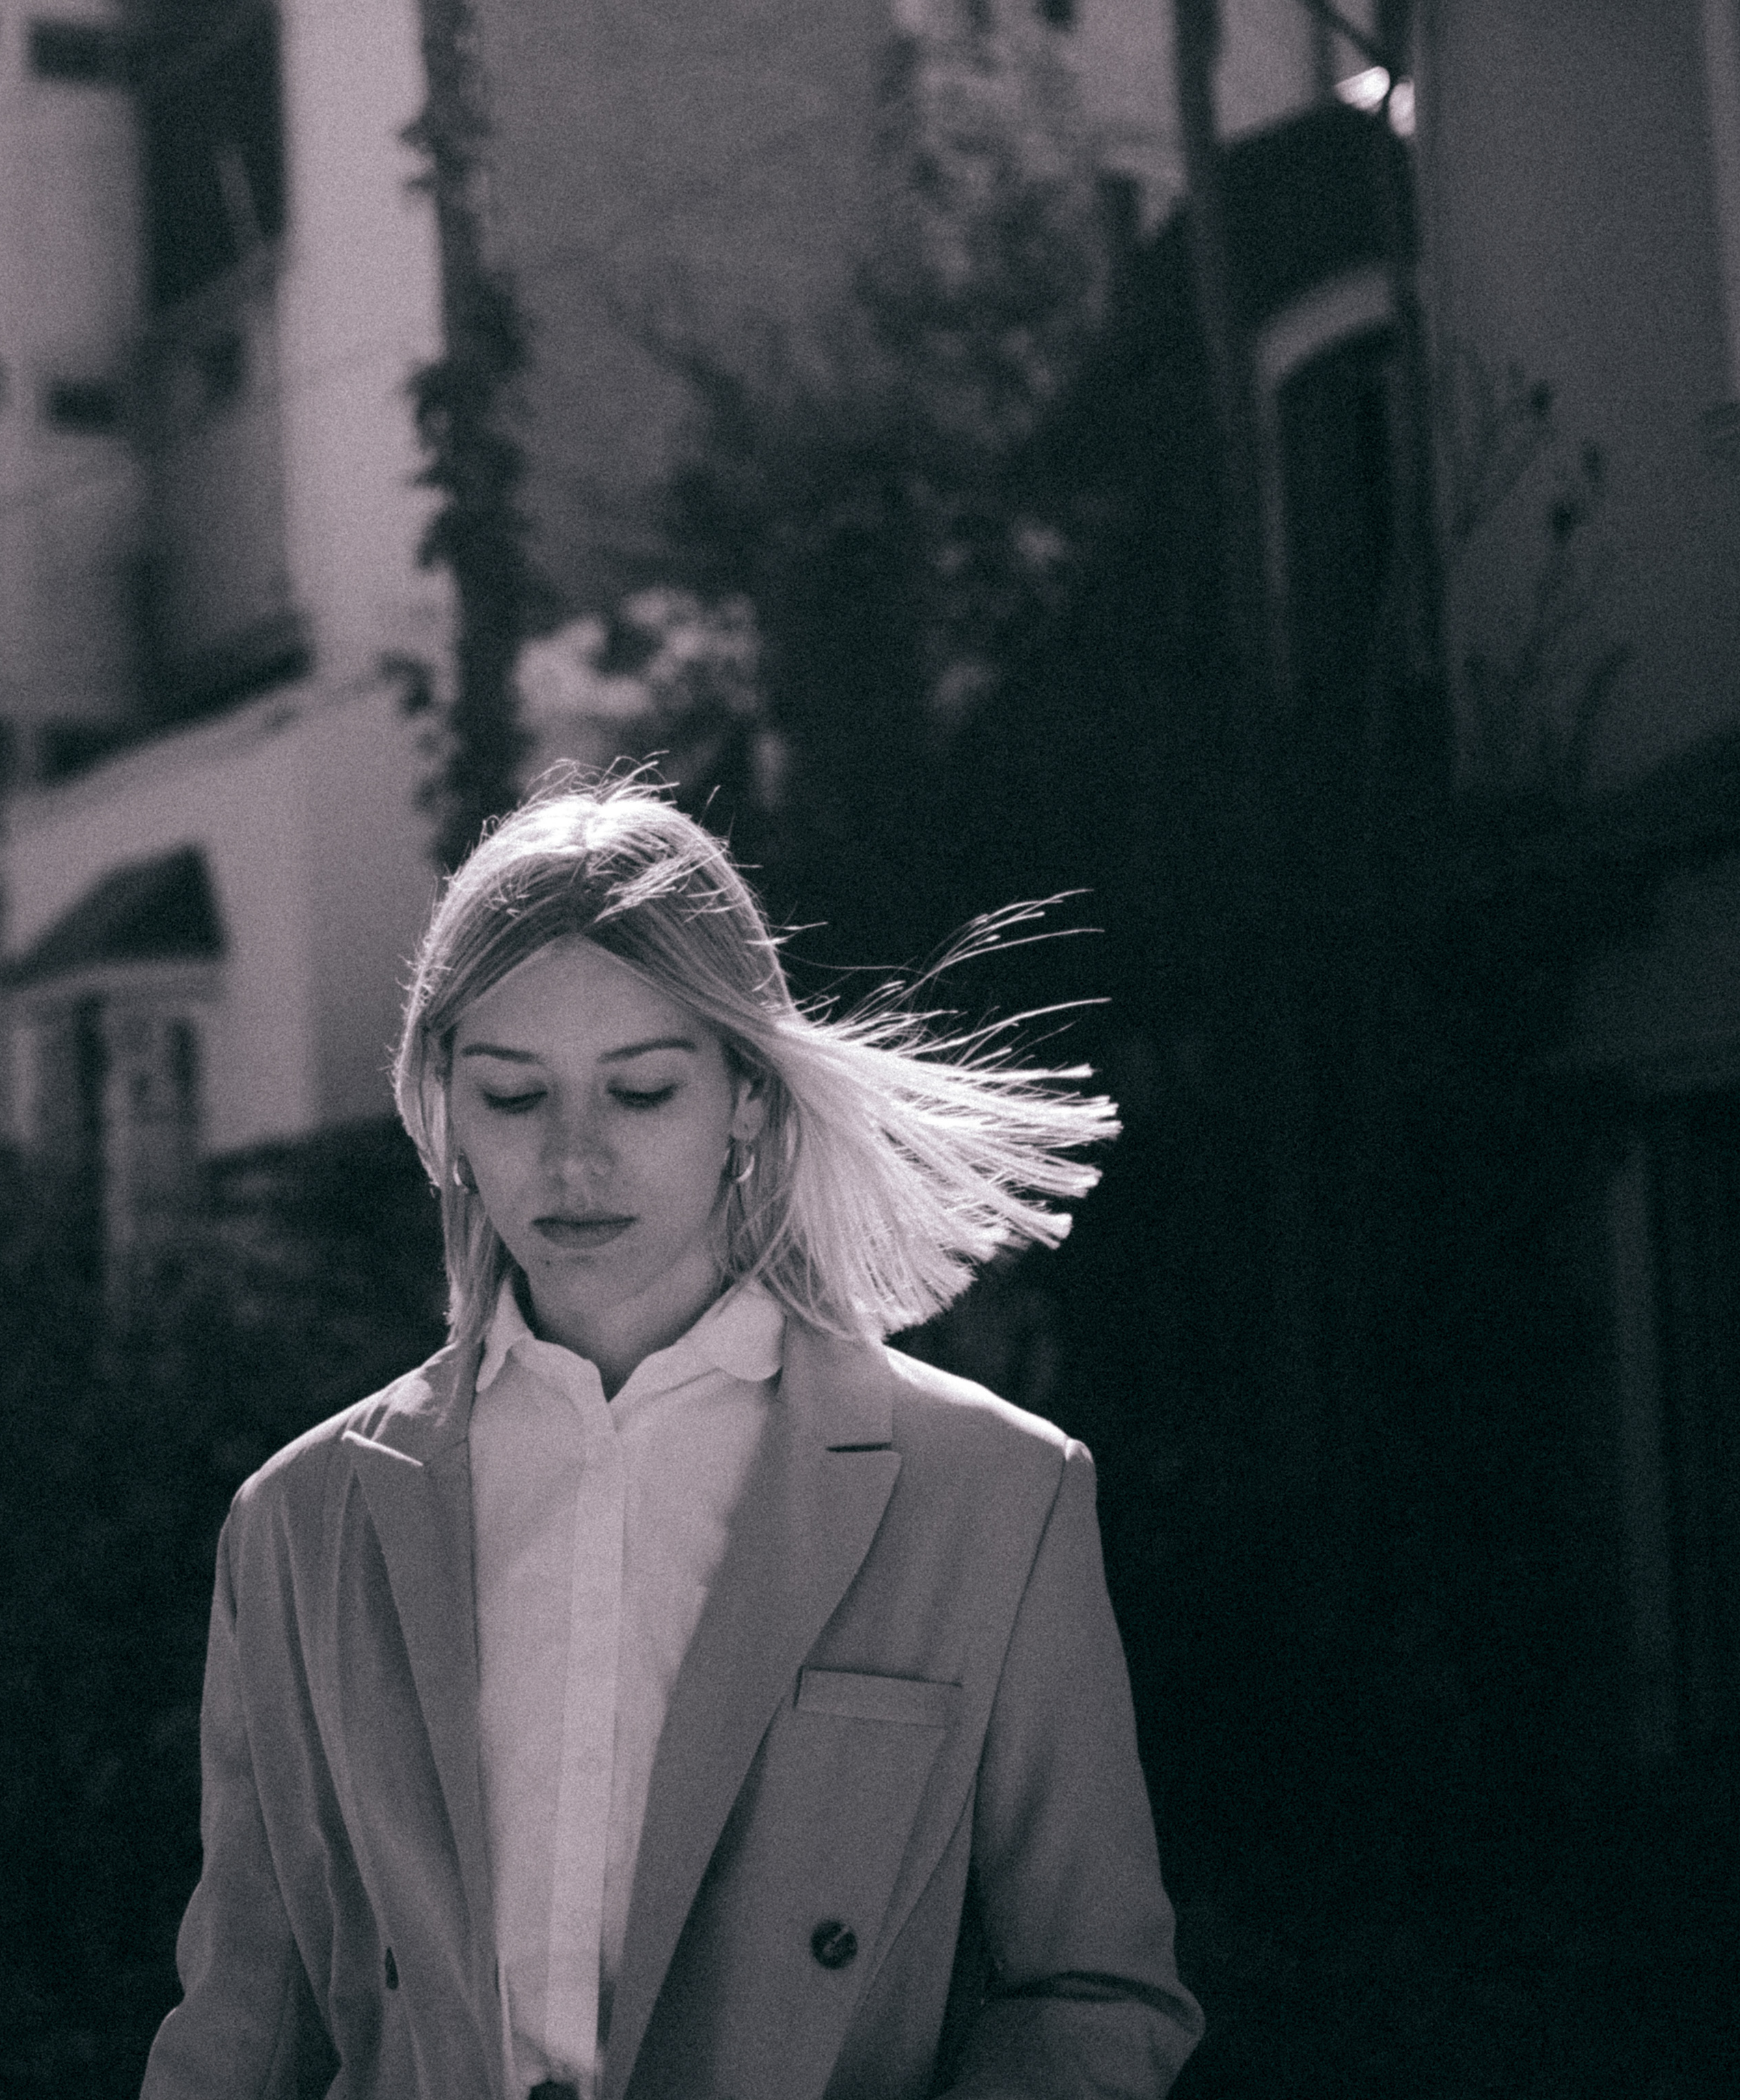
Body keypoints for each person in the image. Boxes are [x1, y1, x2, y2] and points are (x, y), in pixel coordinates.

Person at [141, 779, 1201, 2100]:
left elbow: (1094, 1997)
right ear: (443, 1115)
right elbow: (242, 2028)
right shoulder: (300, 1521)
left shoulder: (992, 1494)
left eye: (641, 1092)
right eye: (513, 1097)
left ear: (747, 1096)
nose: (574, 1160)